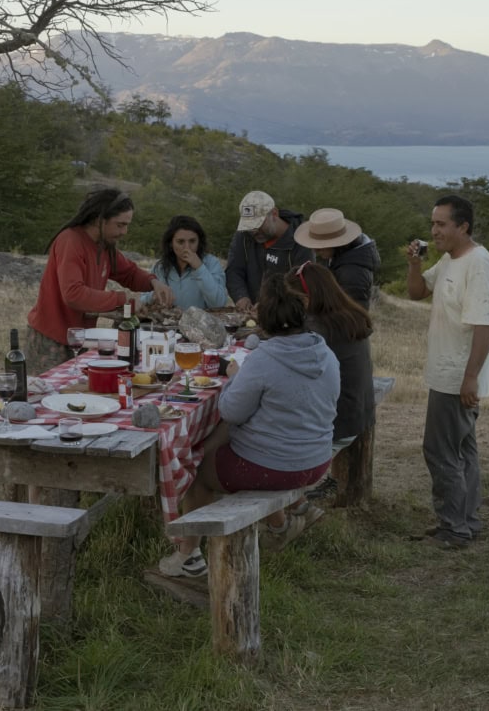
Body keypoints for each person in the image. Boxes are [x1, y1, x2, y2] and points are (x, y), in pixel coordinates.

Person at [159, 273, 340, 577]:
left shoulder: (264, 359)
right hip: (317, 461)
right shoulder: (324, 351)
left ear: (264, 317)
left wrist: (234, 378)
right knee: (238, 443)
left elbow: (230, 411)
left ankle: (188, 555)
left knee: (198, 469)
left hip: (276, 467)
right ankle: (280, 525)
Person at [406, 194, 489, 549]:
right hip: (447, 372)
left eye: (441, 224)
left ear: (463, 227)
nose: (434, 230)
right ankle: (467, 520)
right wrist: (414, 264)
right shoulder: (448, 259)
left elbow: (484, 325)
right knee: (463, 450)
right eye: (432, 223)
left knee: (440, 450)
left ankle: (453, 528)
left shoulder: (479, 264)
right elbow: (416, 293)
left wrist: (470, 376)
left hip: (457, 376)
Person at [25, 188, 174, 374]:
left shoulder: (104, 245)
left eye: (127, 225)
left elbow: (129, 273)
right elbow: (73, 294)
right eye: (120, 225)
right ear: (99, 220)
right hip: (52, 339)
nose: (124, 231)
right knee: (46, 397)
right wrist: (123, 299)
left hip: (82, 337)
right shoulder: (70, 241)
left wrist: (153, 282)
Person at [284, 261, 374, 500]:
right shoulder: (348, 314)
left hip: (339, 421)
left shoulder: (316, 328)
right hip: (359, 409)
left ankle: (290, 499)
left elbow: (289, 372)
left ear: (307, 297)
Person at [225, 190, 314, 313]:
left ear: (274, 213)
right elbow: (234, 270)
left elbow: (303, 288)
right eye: (250, 227)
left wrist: (272, 305)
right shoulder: (244, 235)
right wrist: (241, 296)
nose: (254, 231)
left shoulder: (301, 241)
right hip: (250, 316)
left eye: (259, 224)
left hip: (286, 317)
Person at [293, 207, 382, 310]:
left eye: (320, 246)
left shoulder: (352, 273)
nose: (315, 250)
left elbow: (353, 317)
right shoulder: (339, 256)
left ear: (338, 244)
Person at [138, 215, 228, 310]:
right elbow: (142, 300)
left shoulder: (211, 263)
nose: (187, 247)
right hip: (168, 322)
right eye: (180, 242)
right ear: (171, 244)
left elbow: (218, 304)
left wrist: (199, 268)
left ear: (199, 242)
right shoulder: (160, 267)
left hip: (200, 323)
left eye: (192, 241)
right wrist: (153, 296)